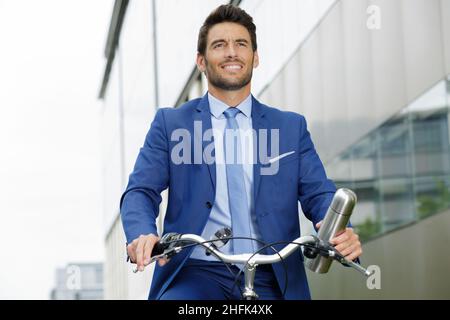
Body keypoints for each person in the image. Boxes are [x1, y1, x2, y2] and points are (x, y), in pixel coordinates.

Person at [120, 4, 362, 300]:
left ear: (255, 57)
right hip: (195, 272)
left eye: (241, 44)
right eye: (219, 45)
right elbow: (140, 191)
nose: (231, 52)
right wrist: (142, 233)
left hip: (274, 272)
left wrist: (337, 228)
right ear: (201, 61)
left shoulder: (290, 127)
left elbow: (319, 193)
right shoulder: (171, 124)